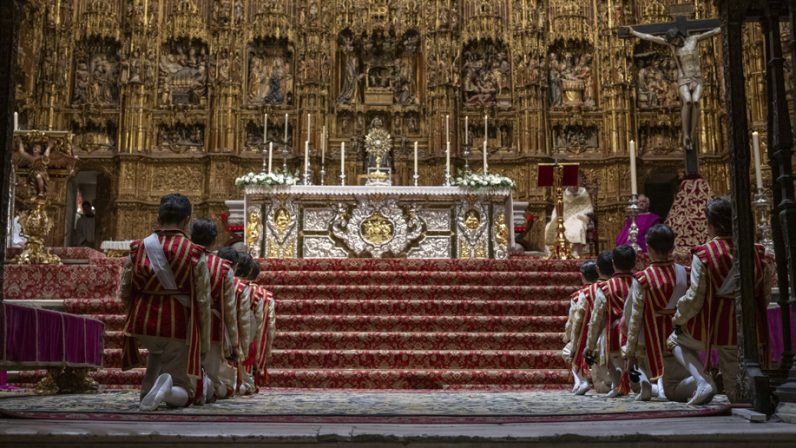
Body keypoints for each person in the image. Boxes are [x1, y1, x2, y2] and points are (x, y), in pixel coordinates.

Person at [667, 198, 771, 405]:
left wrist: (679, 317)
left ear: (711, 224)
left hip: (719, 326)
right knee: (743, 389)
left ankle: (703, 381)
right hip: (753, 325)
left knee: (674, 340)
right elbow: (765, 292)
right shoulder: (758, 251)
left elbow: (696, 296)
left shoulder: (704, 253)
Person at [120, 193, 212, 411]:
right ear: (186, 220)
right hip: (176, 324)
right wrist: (204, 339)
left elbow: (125, 288)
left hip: (142, 323)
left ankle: (149, 389)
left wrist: (133, 312)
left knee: (156, 354)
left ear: (158, 217)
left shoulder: (138, 247)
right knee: (185, 391)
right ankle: (169, 390)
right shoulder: (194, 253)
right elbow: (202, 299)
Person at [622, 224, 690, 401]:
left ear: (648, 248)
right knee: (676, 385)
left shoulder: (642, 278)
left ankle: (648, 383)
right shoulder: (684, 273)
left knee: (638, 378)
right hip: (679, 339)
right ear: (672, 247)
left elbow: (633, 318)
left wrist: (630, 353)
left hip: (648, 344)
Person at [191, 219, 239, 401]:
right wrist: (233, 341)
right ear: (214, 240)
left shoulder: (184, 257)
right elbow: (229, 307)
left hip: (185, 318)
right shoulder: (223, 267)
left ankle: (192, 387)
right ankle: (206, 388)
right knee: (211, 370)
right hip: (213, 322)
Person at [586, 245, 636, 397]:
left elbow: (597, 318)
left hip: (615, 331)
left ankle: (616, 383)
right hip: (637, 327)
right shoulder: (639, 282)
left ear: (614, 264)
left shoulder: (606, 287)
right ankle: (638, 384)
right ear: (634, 263)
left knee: (609, 357)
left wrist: (590, 343)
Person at [562, 260, 599, 394]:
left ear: (582, 276)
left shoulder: (578, 296)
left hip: (585, 337)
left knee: (568, 350)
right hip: (603, 335)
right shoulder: (605, 290)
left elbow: (574, 321)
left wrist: (568, 337)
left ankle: (581, 380)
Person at [544, 186, 593, 257]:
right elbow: (556, 209)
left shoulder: (584, 194)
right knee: (548, 226)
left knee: (577, 226)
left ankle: (573, 252)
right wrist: (556, 218)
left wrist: (576, 216)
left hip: (578, 218)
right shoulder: (563, 195)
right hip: (562, 219)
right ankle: (553, 252)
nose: (573, 186)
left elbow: (589, 209)